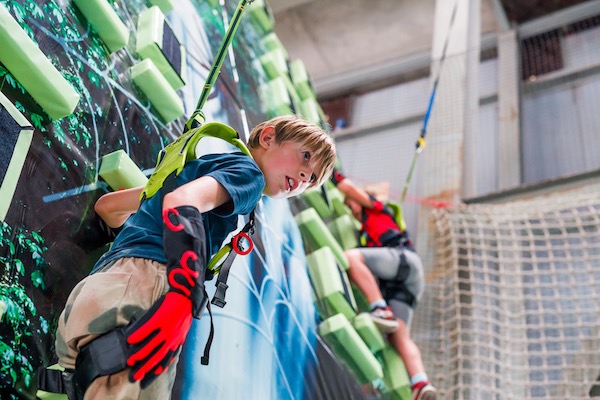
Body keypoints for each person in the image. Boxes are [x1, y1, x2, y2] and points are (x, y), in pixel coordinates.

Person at [52, 115, 336, 400]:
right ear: (267, 137)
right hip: (147, 289)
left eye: (311, 178)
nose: (303, 177)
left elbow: (108, 207)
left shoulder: (191, 173)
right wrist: (183, 292)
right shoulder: (249, 177)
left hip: (98, 290)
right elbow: (181, 203)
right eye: (305, 156)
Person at [331, 167, 437, 400]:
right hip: (406, 283)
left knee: (352, 257)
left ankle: (379, 307)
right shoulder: (366, 234)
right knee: (399, 336)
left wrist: (331, 173)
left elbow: (347, 187)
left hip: (403, 261)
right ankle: (420, 382)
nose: (350, 208)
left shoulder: (377, 209)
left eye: (351, 204)